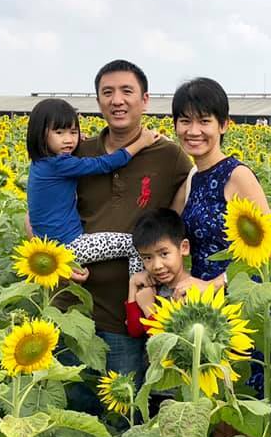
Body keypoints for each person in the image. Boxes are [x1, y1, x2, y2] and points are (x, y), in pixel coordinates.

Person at [72, 60, 193, 384]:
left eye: (127, 91)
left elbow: (203, 190)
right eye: (107, 92)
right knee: (66, 414)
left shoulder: (169, 156)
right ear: (98, 101)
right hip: (72, 310)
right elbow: (41, 206)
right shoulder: (78, 154)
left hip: (125, 317)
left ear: (145, 100)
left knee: (123, 418)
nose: (117, 100)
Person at [169, 77, 271, 396]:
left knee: (241, 405)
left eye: (204, 121)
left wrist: (216, 283)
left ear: (223, 125)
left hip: (239, 305)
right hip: (202, 309)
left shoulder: (236, 175)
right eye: (185, 121)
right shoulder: (193, 177)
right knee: (210, 406)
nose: (194, 130)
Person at [26, 97, 158, 276]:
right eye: (59, 133)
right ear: (40, 134)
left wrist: (75, 140)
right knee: (135, 245)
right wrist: (141, 143)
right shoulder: (60, 164)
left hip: (47, 248)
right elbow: (104, 164)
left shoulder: (39, 164)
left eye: (73, 132)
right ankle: (137, 294)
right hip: (70, 247)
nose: (68, 139)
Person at [124, 209, 191, 338]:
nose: (157, 266)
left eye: (164, 254)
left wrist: (149, 309)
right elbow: (135, 330)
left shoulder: (190, 291)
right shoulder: (153, 287)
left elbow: (171, 345)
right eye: (147, 257)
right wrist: (132, 285)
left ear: (184, 248)